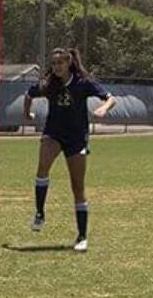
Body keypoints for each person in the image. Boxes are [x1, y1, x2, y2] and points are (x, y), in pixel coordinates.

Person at [22, 47, 115, 253]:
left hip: (76, 139)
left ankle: (82, 236)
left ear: (69, 63)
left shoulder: (83, 84)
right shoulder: (49, 85)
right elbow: (29, 94)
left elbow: (111, 98)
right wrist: (26, 112)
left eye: (60, 63)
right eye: (54, 64)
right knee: (42, 168)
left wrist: (103, 108)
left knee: (77, 188)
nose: (57, 67)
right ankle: (39, 213)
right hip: (53, 134)